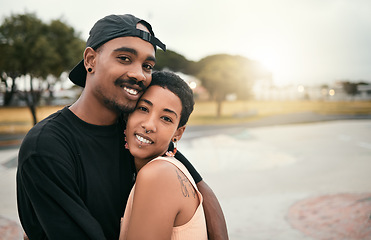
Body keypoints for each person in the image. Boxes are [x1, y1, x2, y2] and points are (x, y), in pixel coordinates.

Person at [16, 14, 228, 240]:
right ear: (90, 60)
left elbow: (199, 187)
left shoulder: (132, 131)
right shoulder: (46, 147)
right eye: (125, 58)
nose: (139, 74)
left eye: (147, 65)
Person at [120, 71, 207, 239]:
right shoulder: (169, 169)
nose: (149, 125)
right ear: (128, 113)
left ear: (178, 133)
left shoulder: (158, 174)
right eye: (143, 109)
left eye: (166, 119)